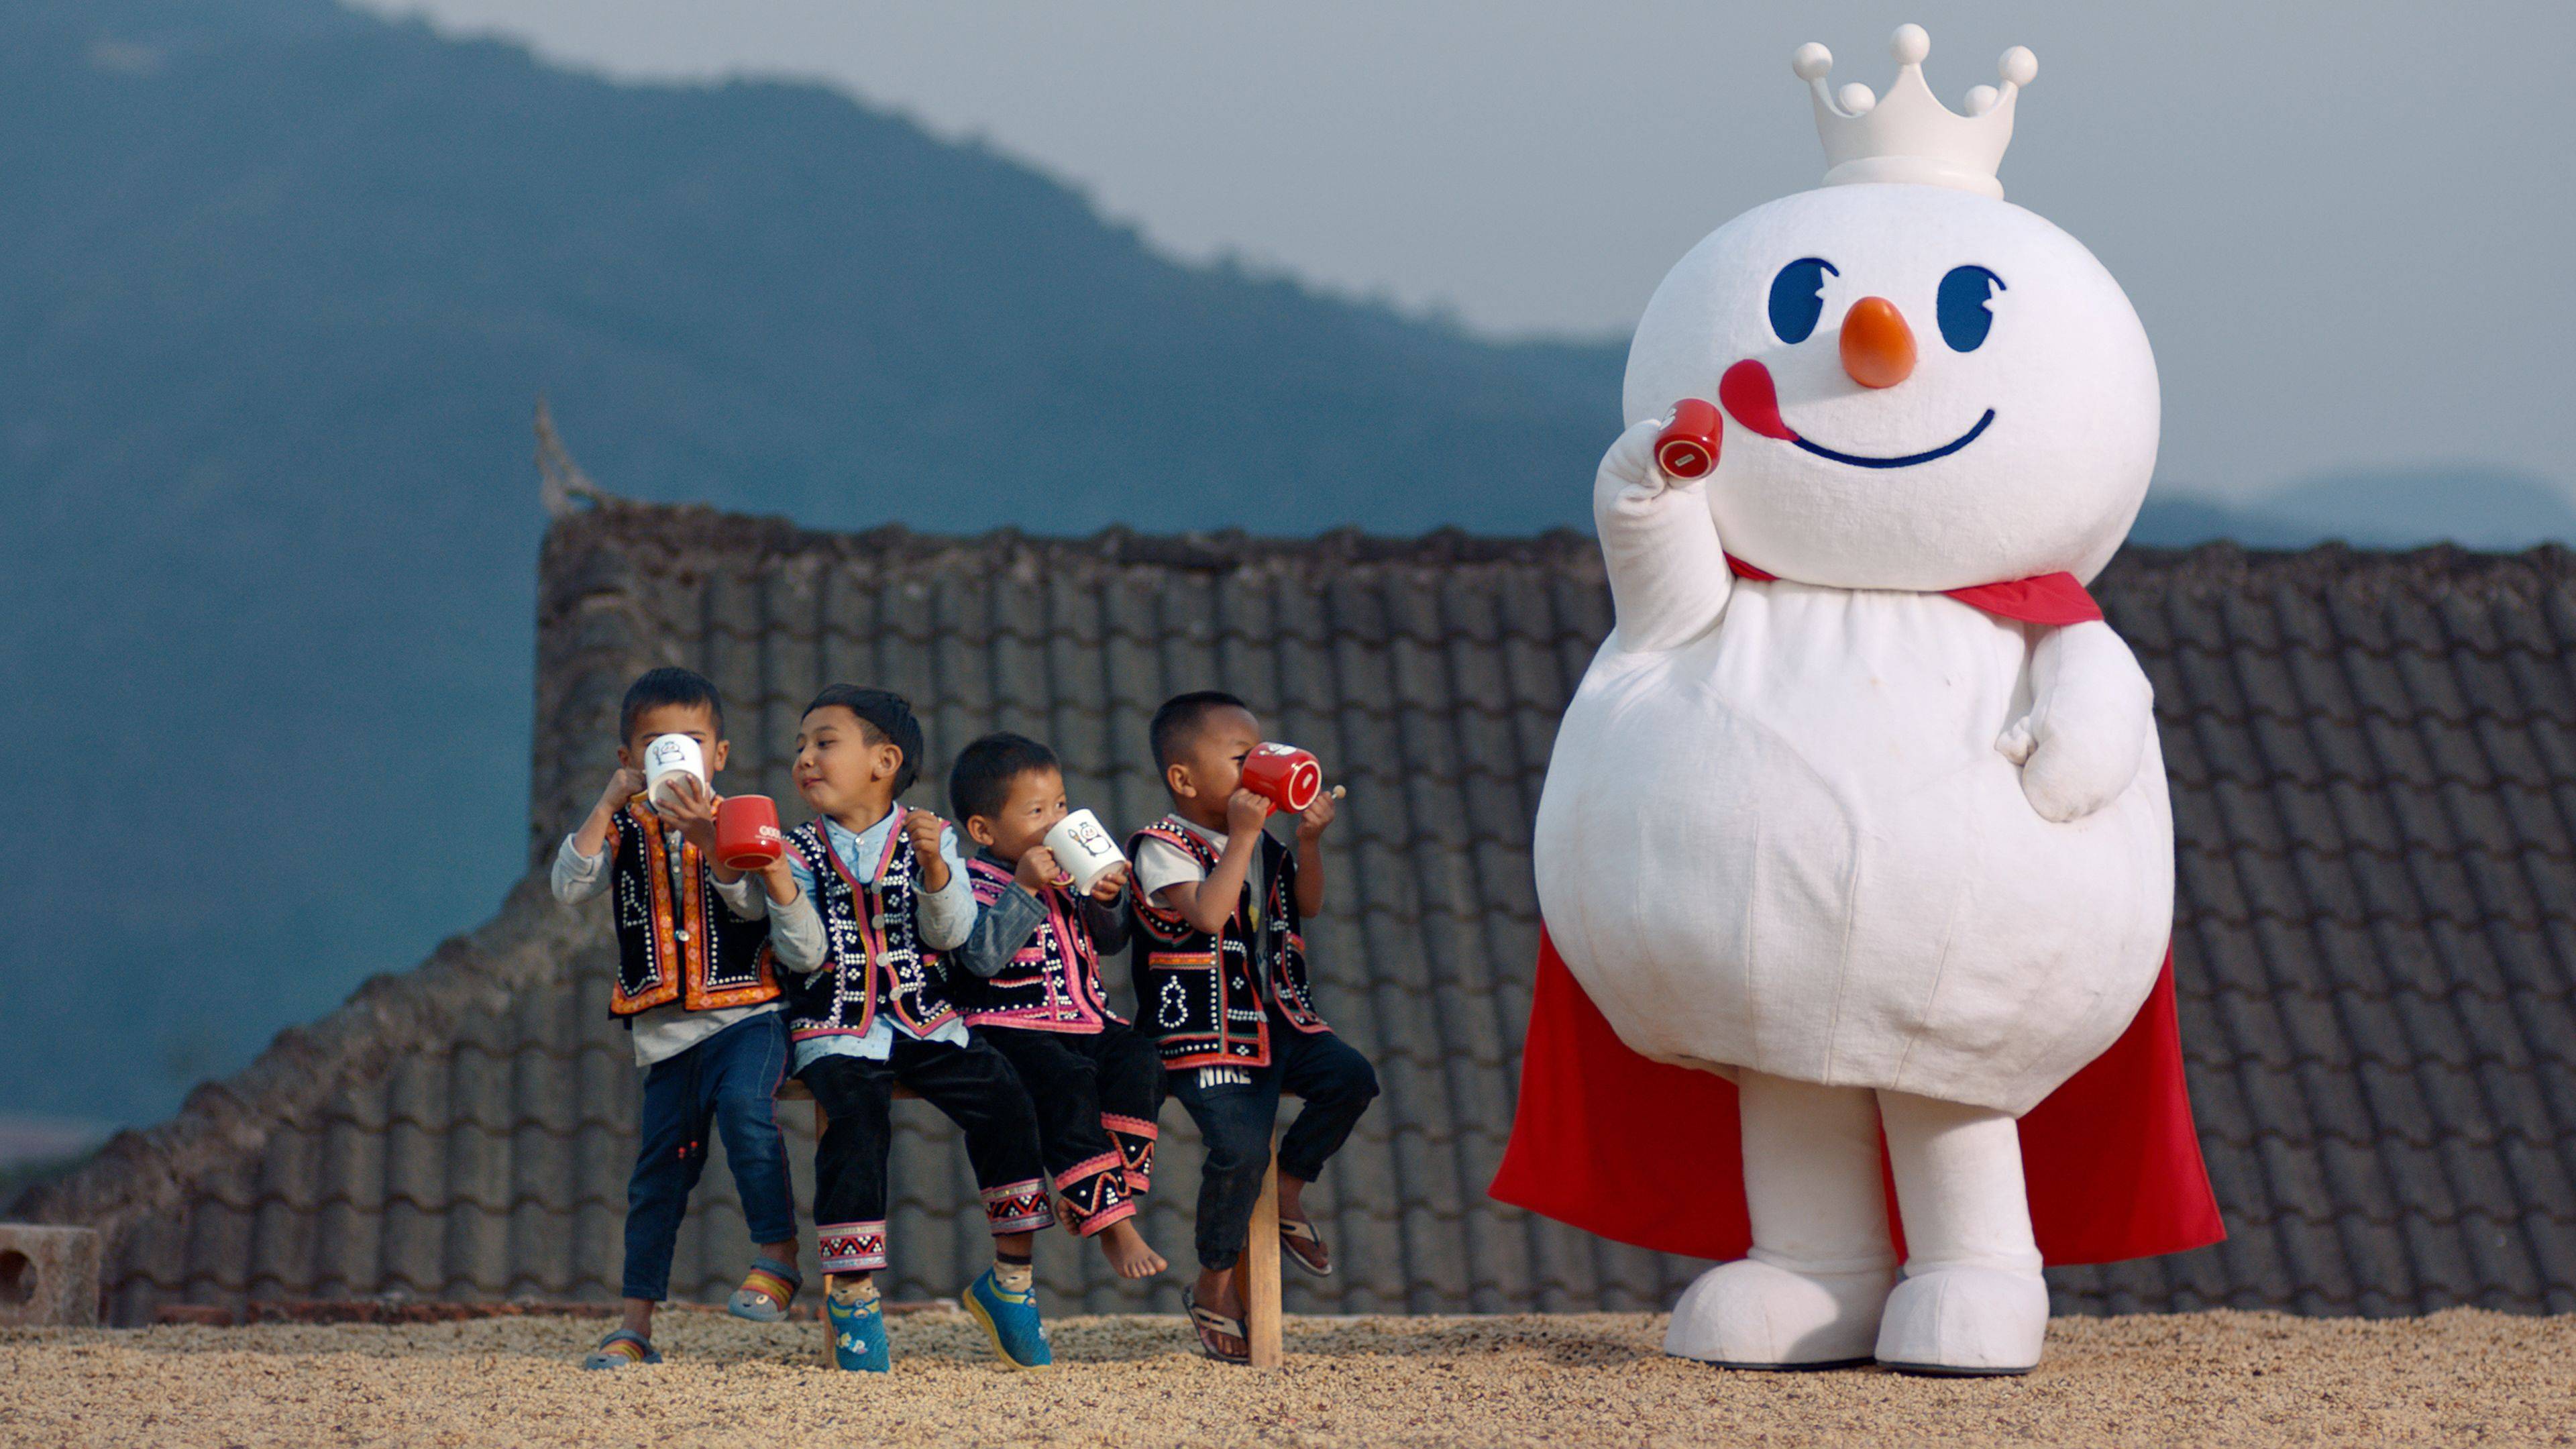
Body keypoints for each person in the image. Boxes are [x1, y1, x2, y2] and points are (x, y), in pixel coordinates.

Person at [771, 686, 1055, 1373]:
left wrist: (935, 868)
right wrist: (778, 884)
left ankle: (1011, 1281)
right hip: (837, 1024)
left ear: (884, 760)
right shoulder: (793, 849)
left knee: (1006, 1099)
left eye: (824, 742)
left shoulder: (931, 835)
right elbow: (803, 955)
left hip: (925, 1017)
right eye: (800, 747)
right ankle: (854, 1297)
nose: (805, 759)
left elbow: (953, 934)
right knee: (856, 1124)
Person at [549, 667, 812, 1369]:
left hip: (747, 1017)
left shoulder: (745, 821)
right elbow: (568, 887)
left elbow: (762, 911)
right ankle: (635, 1324)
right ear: (629, 758)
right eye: (654, 744)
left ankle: (777, 1255)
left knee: (747, 1115)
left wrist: (713, 843)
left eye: (690, 741)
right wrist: (611, 800)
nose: (674, 754)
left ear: (718, 755)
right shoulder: (622, 826)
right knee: (657, 1177)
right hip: (663, 1034)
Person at [1128, 691, 1379, 1364]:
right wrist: (1241, 839)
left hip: (1276, 1020)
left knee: (1351, 1078)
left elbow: (1308, 905)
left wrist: (1307, 840)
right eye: (1244, 759)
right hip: (1200, 1032)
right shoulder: (1161, 847)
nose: (1260, 768)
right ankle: (1213, 1281)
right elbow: (1208, 915)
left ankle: (1291, 1190)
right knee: (1239, 1151)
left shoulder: (1264, 844)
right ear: (1183, 778)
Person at [945, 732, 1168, 1280]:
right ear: (983, 830)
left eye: (1062, 805)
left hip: (1086, 1018)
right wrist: (1022, 889)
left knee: (1142, 1058)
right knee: (1066, 1083)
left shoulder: (1073, 880)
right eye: (1037, 811)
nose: (1055, 821)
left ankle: (1097, 1198)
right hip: (1010, 1027)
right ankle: (1115, 1226)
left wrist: (1106, 899)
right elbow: (981, 958)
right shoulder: (972, 883)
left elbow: (1111, 941)